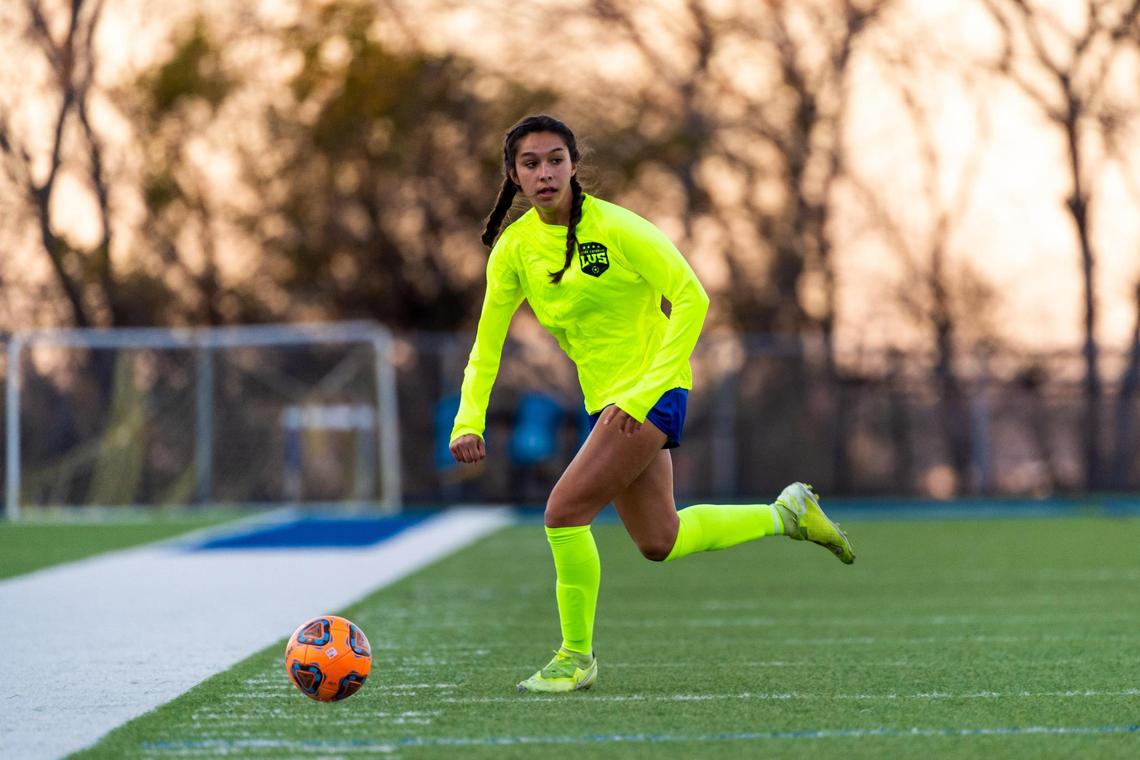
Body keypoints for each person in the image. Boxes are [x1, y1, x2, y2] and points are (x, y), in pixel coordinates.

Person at [450, 114, 855, 694]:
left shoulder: (617, 227)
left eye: (556, 159)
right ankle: (786, 514)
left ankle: (575, 657)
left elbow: (691, 297)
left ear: (573, 164)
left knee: (562, 514)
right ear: (512, 175)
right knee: (658, 540)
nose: (545, 173)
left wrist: (644, 392)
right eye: (531, 163)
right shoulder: (513, 250)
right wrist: (468, 420)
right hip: (607, 404)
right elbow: (486, 346)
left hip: (653, 393)